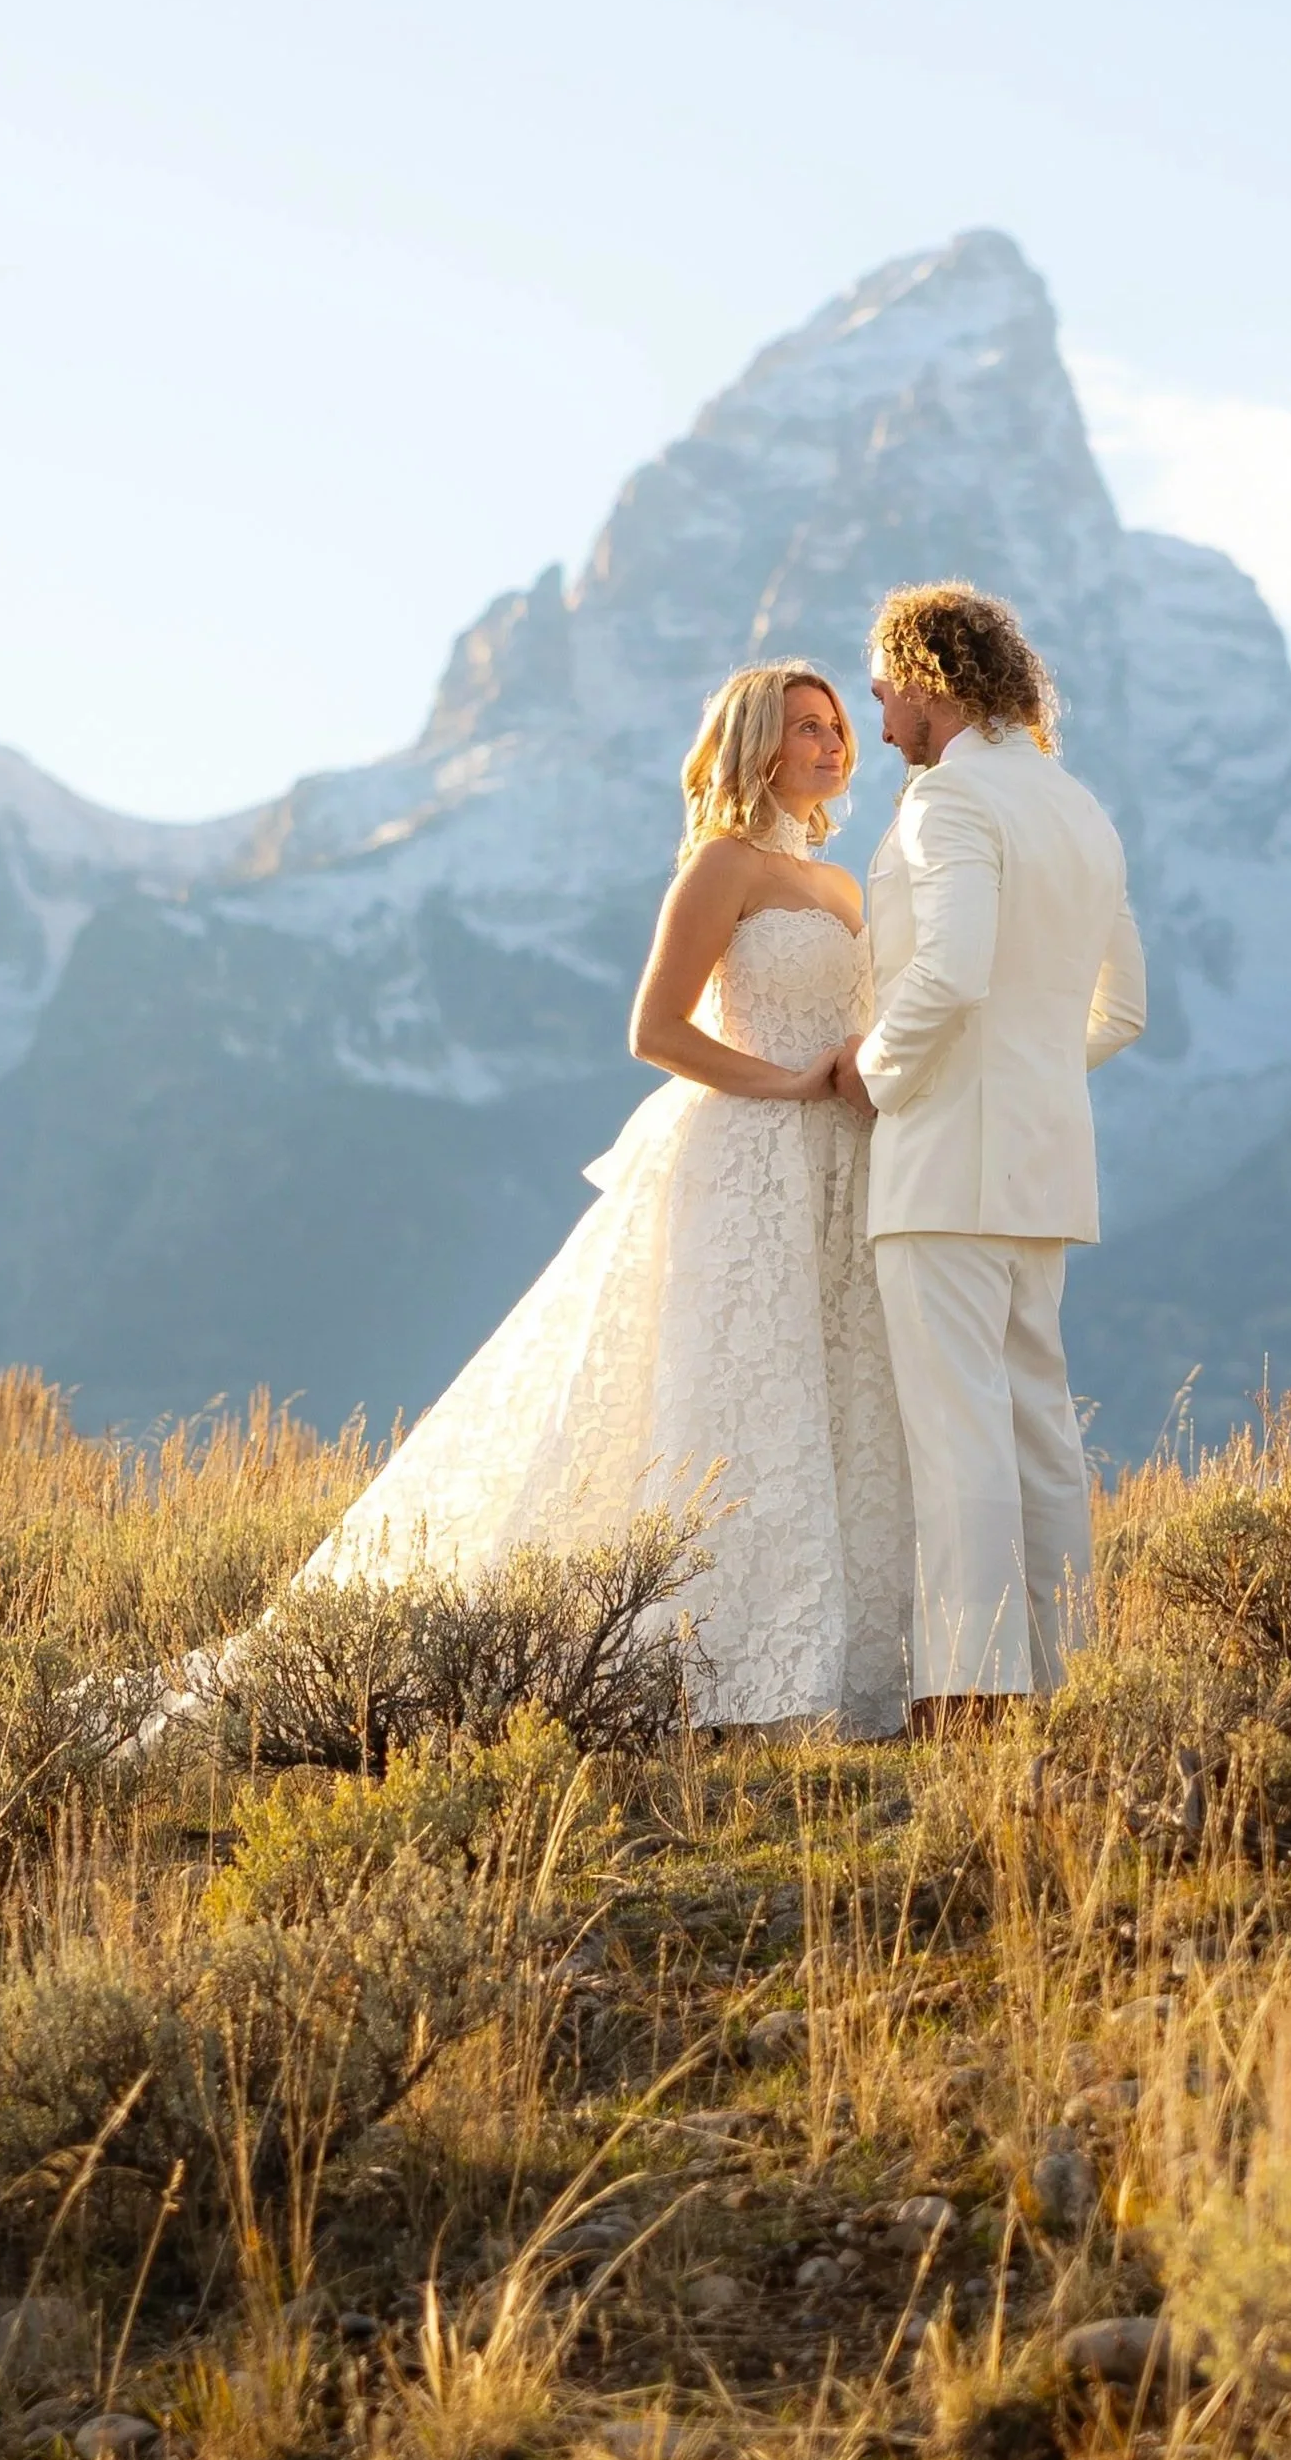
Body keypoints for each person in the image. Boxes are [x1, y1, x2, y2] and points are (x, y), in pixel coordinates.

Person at [290, 663, 913, 1735]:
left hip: (838, 1166)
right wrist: (784, 1084)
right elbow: (655, 1032)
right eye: (805, 729)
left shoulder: (847, 887)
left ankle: (826, 1668)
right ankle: (697, 1674)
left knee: (835, 1400)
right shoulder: (721, 867)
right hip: (745, 1160)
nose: (830, 746)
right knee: (732, 1398)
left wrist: (852, 1068)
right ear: (757, 746)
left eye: (836, 728)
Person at [830, 582, 1145, 1722]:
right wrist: (1030, 1077)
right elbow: (1121, 1013)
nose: (879, 727)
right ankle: (1069, 1681)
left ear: (927, 676)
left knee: (957, 1433)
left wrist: (873, 1075)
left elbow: (951, 973)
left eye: (882, 696)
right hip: (1043, 1162)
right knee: (1039, 1436)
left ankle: (970, 1688)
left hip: (938, 1162)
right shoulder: (1079, 808)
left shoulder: (947, 801)